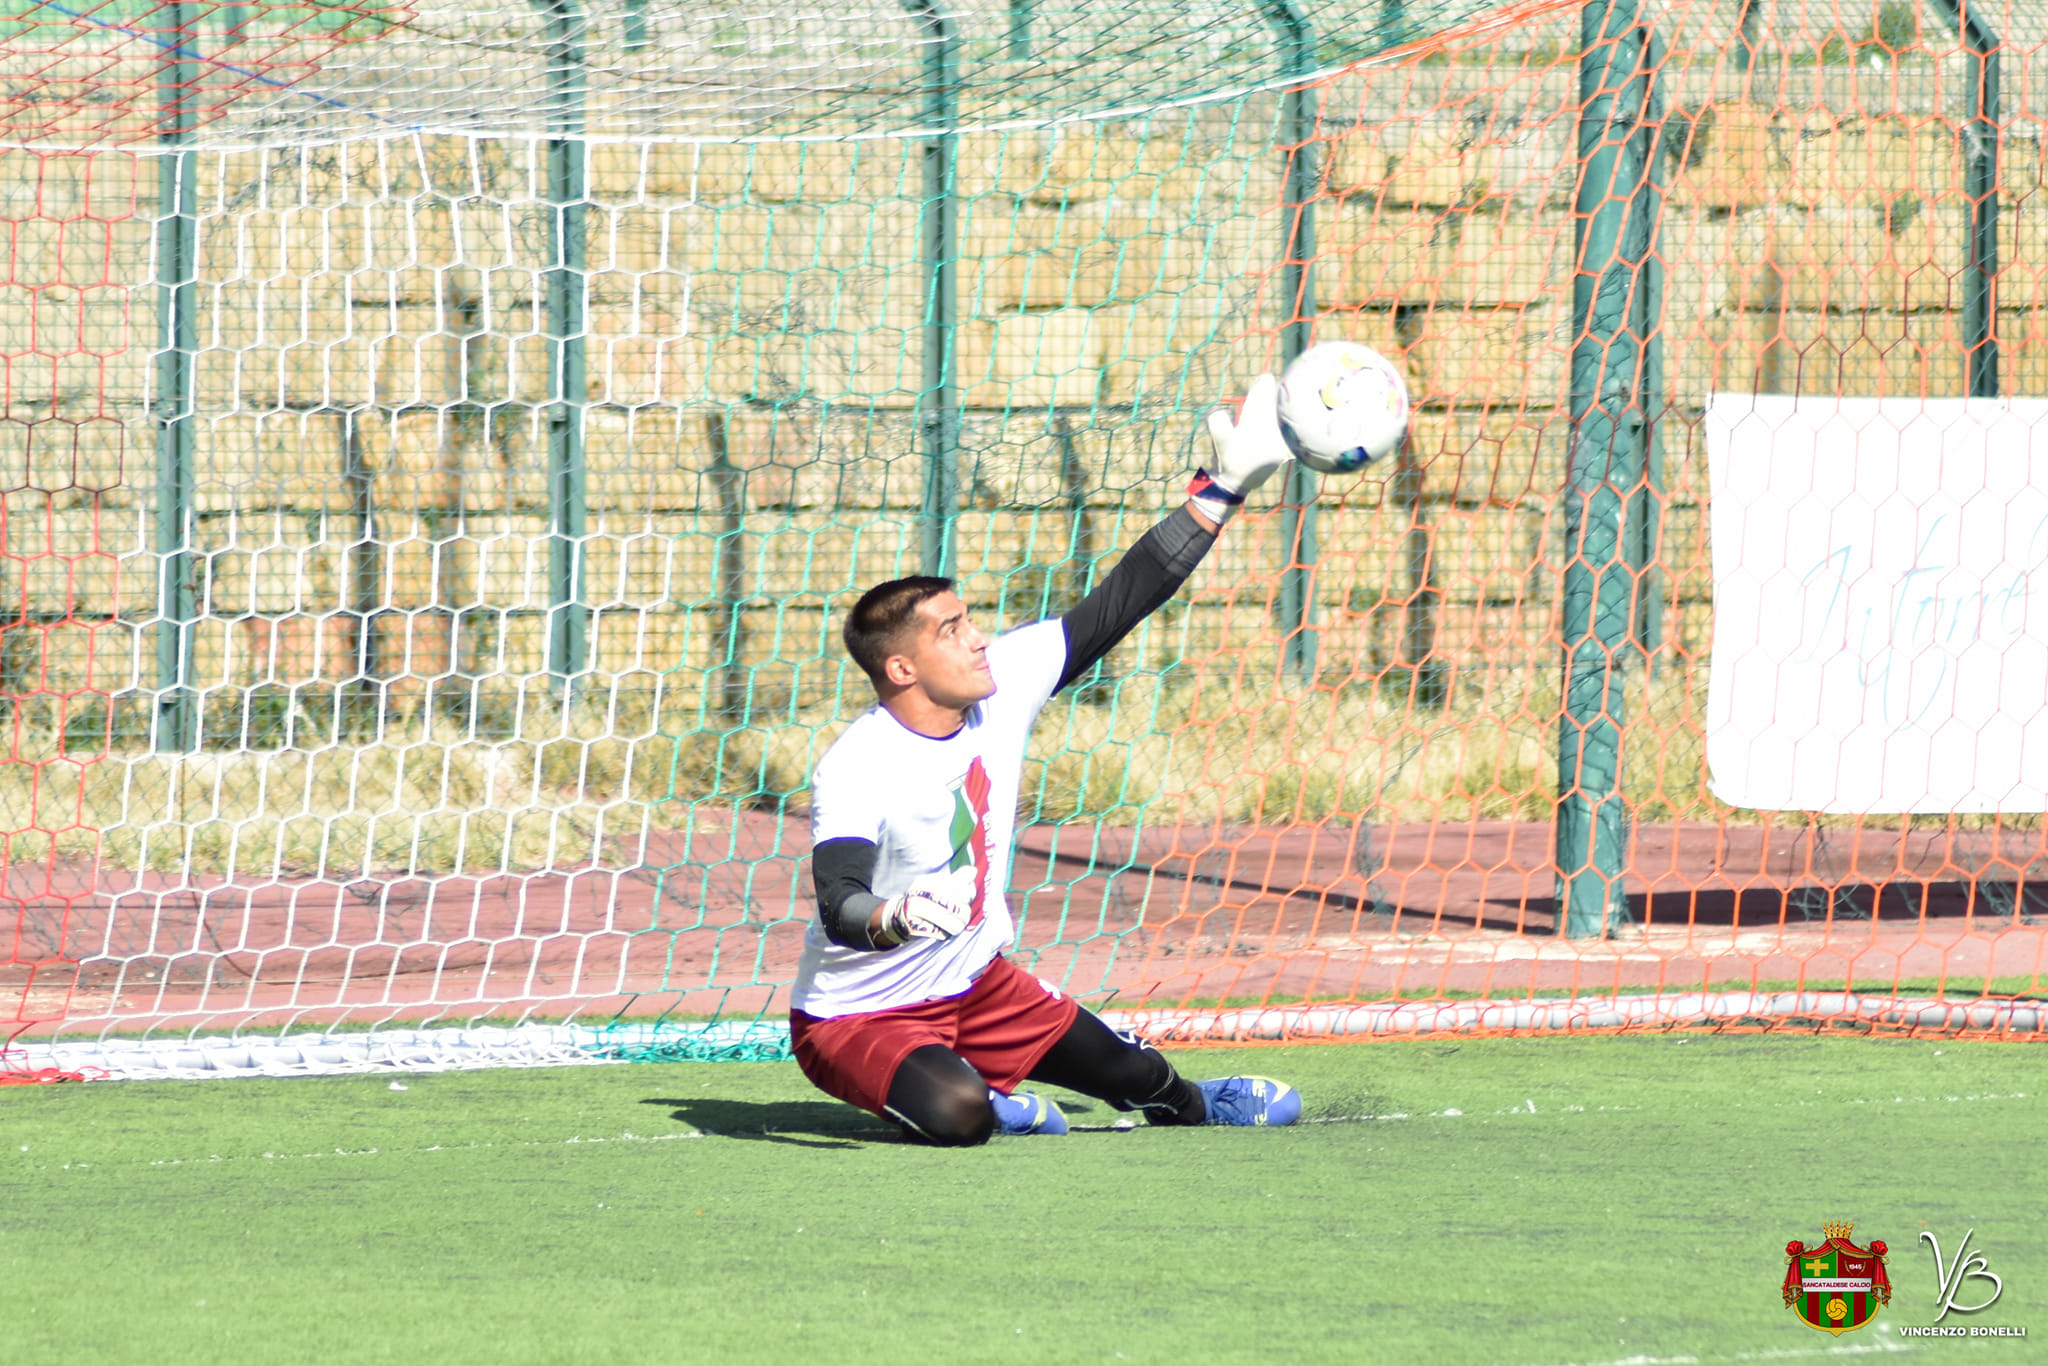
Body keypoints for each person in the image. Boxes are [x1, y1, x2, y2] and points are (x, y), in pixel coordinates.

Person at [791, 377, 1306, 1145]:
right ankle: (982, 1096)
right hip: (858, 1014)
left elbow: (1124, 597)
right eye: (951, 631)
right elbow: (840, 900)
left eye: (969, 620)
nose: (977, 639)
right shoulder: (857, 764)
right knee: (958, 1115)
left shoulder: (1003, 682)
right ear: (902, 670)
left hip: (976, 982)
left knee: (1140, 1078)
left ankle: (1198, 1101)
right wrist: (893, 916)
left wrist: (1223, 489)